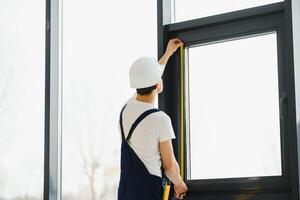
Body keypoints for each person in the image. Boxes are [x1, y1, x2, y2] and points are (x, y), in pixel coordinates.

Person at [118, 38, 188, 200]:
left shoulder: (125, 109)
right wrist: (179, 184)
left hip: (126, 190)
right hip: (148, 190)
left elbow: (146, 79)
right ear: (158, 85)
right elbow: (169, 166)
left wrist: (168, 54)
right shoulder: (160, 119)